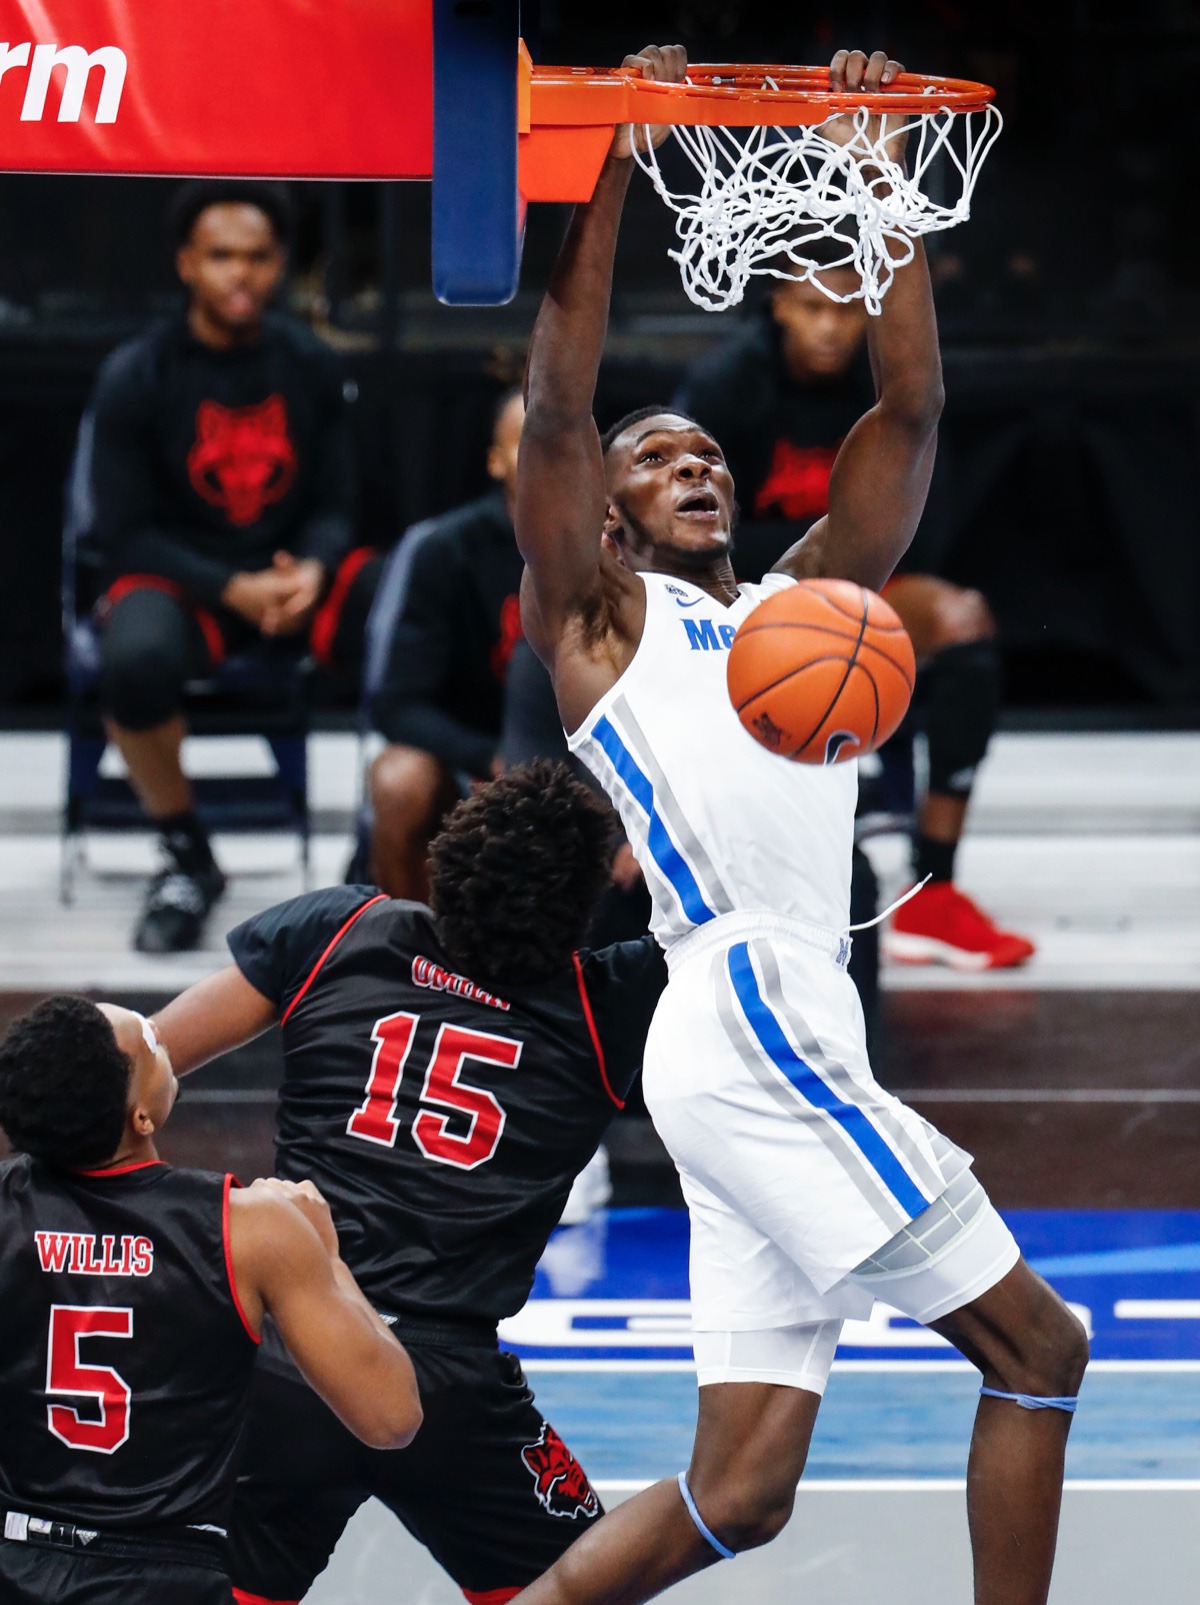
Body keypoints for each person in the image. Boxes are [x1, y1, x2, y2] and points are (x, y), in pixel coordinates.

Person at [510, 43, 1088, 1605]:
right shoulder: (603, 624)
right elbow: (556, 408)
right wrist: (617, 154)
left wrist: (878, 166)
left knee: (746, 1488)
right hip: (745, 997)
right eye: (657, 461)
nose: (693, 461)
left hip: (771, 1014)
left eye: (705, 450)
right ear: (611, 514)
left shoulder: (803, 603)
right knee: (1041, 1341)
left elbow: (913, 401)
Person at [151, 761, 667, 1605]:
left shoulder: (339, 928)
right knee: (589, 1583)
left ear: (445, 857)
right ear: (582, 904)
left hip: (286, 1353)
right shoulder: (611, 1006)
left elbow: (141, 1061)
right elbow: (742, 911)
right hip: (447, 1384)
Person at [675, 251, 1035, 971]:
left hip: (860, 585)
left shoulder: (888, 382)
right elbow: (692, 529)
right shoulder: (726, 386)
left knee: (962, 619)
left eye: (846, 310)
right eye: (812, 308)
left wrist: (840, 584)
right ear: (778, 305)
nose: (830, 328)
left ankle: (934, 886)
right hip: (738, 594)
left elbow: (928, 523)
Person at [0, 996, 420, 1605]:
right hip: (163, 1573)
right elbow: (392, 1417)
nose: (161, 1035)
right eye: (151, 1040)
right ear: (141, 1116)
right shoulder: (249, 1228)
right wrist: (328, 1257)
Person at [88, 179, 379, 954]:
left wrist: (314, 569)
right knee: (133, 656)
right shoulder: (137, 374)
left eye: (256, 257)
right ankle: (186, 855)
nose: (240, 275)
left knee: (398, 605)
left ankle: (382, 846)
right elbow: (123, 532)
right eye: (221, 256)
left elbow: (339, 502)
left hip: (290, 582)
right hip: (192, 588)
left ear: (280, 263)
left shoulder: (310, 364)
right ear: (187, 263)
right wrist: (231, 590)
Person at [368, 387, 526, 898]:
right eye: (530, 443)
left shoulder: (619, 548)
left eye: (563, 443)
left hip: (585, 762)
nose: (550, 458)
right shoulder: (445, 550)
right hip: (474, 757)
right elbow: (395, 704)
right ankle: (413, 958)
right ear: (496, 461)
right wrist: (492, 758)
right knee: (398, 780)